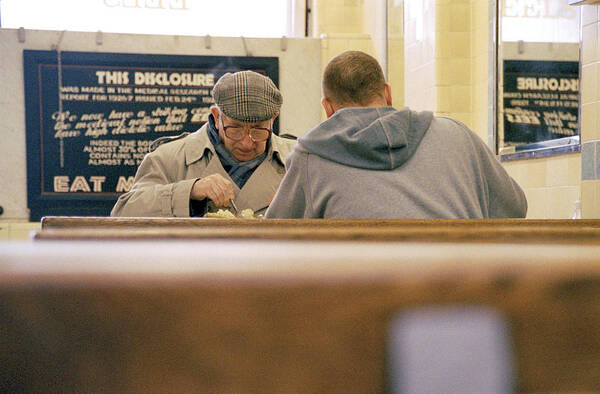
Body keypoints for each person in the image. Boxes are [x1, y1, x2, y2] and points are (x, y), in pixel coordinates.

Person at [266, 51, 527, 219]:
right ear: (388, 93)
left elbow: (277, 239)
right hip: (463, 295)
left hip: (366, 299)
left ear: (328, 107)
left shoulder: (312, 156)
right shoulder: (459, 135)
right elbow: (515, 208)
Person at [111, 70, 296, 217]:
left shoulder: (298, 161)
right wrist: (189, 191)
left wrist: (297, 207)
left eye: (258, 130)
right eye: (236, 129)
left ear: (273, 119)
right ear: (216, 117)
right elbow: (124, 212)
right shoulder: (170, 158)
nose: (247, 143)